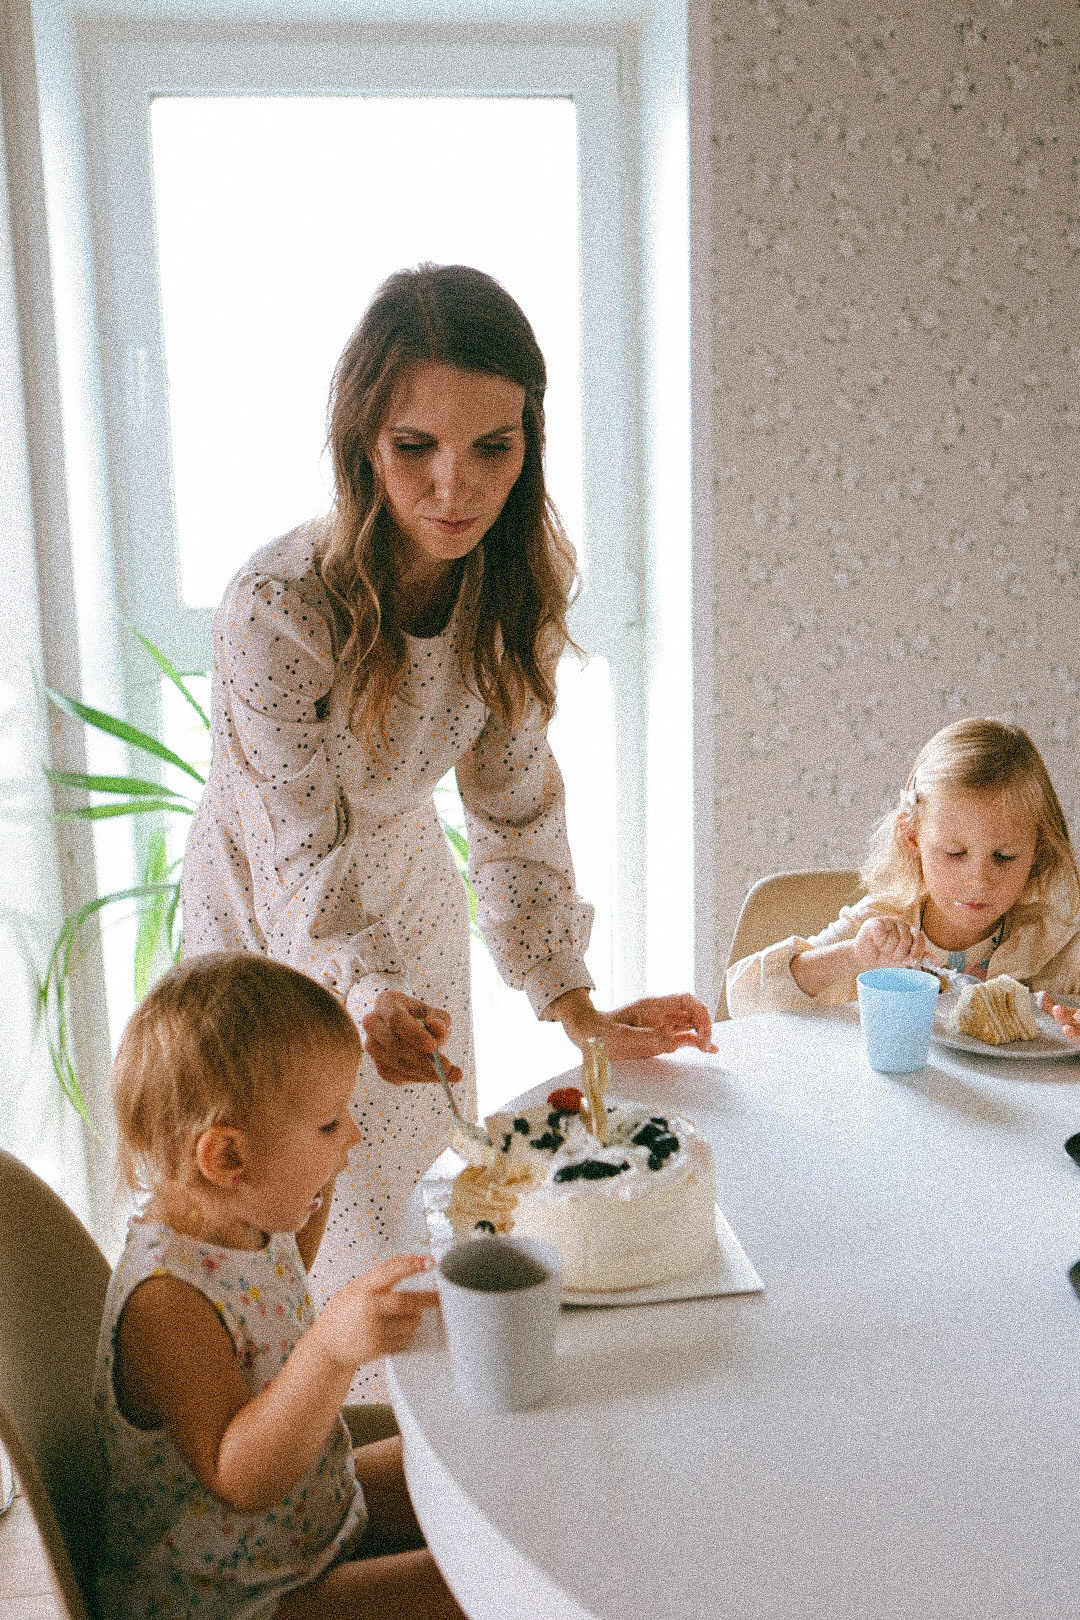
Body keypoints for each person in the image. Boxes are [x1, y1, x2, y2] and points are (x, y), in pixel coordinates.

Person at [180, 263, 713, 1379]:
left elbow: (516, 804)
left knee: (415, 1209)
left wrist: (573, 1001)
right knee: (282, 1198)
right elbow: (299, 853)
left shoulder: (511, 587)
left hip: (410, 891)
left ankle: (408, 1439)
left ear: (531, 445)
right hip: (271, 909)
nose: (455, 487)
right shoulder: (276, 608)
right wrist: (358, 995)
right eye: (415, 445)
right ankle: (287, 1455)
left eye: (493, 448)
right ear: (361, 439)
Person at [94, 950, 464, 1620]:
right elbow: (242, 1478)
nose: (352, 1133)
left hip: (309, 1522)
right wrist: (329, 1349)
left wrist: (313, 1175)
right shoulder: (165, 1302)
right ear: (229, 1156)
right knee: (476, 1591)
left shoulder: (242, 1219)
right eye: (328, 1123)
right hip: (235, 1599)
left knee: (470, 1461)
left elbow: (283, 1263)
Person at [726, 717, 1080, 1018]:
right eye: (955, 853)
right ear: (912, 839)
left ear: (1036, 851)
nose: (979, 880)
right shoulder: (878, 925)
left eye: (1003, 856)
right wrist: (850, 956)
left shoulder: (1059, 945)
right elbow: (744, 1000)